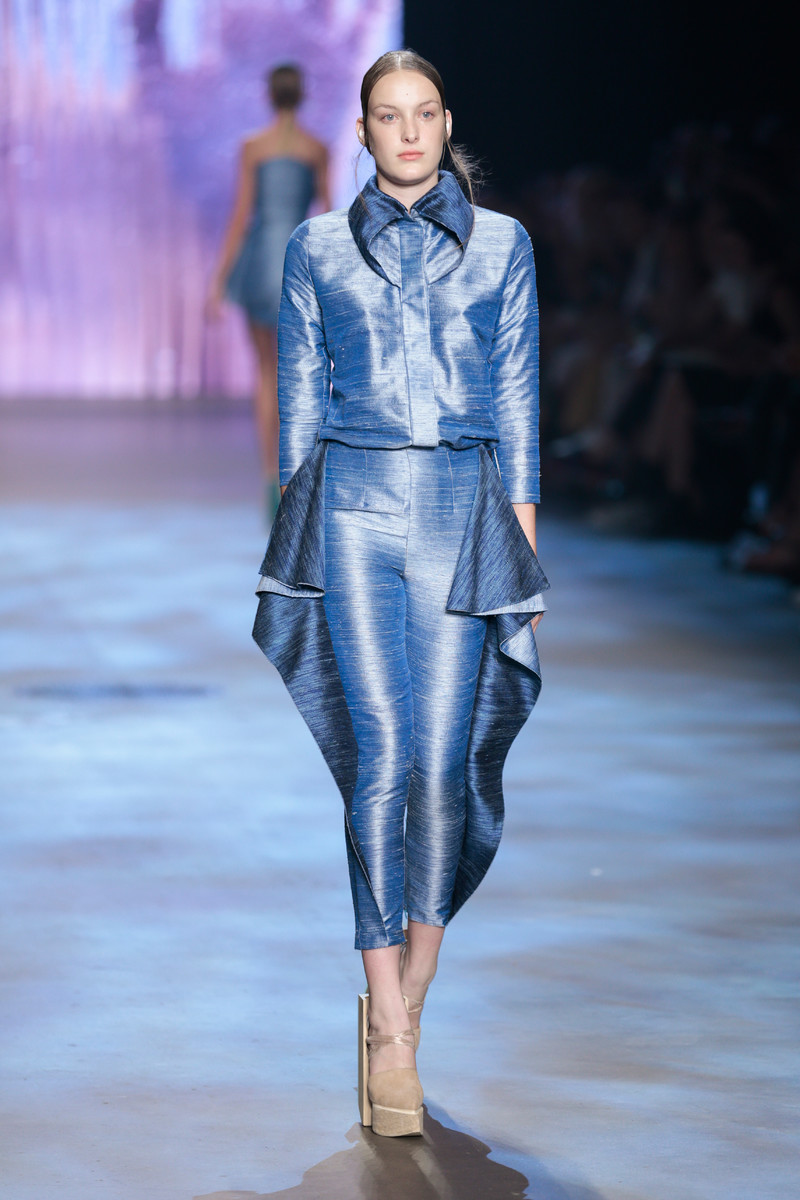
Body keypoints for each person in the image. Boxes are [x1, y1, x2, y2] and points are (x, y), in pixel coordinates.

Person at [252, 50, 548, 1137]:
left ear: (446, 123)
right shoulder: (316, 249)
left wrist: (523, 552)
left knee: (443, 767)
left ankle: (414, 985)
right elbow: (296, 411)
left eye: (424, 114)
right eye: (390, 115)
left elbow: (517, 398)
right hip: (352, 509)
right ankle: (388, 1025)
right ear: (364, 131)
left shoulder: (505, 245)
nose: (410, 132)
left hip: (464, 514)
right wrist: (292, 539)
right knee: (379, 758)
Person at [207, 63, 329, 516]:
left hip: (261, 266)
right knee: (298, 378)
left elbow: (241, 216)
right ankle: (294, 482)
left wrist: (219, 281)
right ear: (302, 96)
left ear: (269, 96)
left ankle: (269, 483)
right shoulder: (316, 149)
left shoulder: (253, 148)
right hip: (298, 266)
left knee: (265, 374)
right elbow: (326, 217)